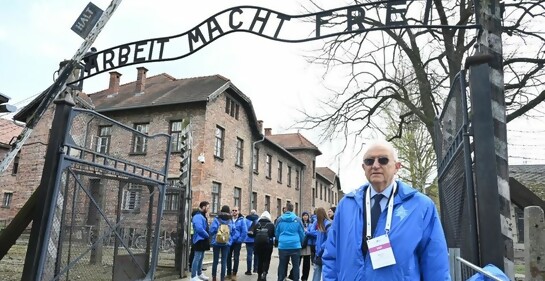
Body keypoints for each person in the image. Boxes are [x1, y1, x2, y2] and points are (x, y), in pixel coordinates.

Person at [322, 140, 450, 280]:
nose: (376, 165)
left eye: (383, 160)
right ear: (364, 167)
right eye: (369, 161)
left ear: (397, 167)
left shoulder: (420, 206)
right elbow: (331, 256)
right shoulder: (346, 205)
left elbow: (435, 263)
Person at [275, 202, 305, 281]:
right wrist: (300, 242)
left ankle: (280, 279)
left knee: (282, 265)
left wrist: (280, 240)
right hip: (295, 245)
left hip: (283, 245)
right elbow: (302, 233)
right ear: (293, 209)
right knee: (295, 266)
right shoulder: (297, 219)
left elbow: (276, 232)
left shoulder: (280, 219)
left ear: (286, 209)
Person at [210, 205, 237, 281]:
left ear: (221, 210)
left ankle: (214, 277)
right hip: (226, 243)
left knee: (215, 260)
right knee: (224, 261)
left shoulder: (217, 219)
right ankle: (222, 278)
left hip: (216, 242)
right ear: (229, 211)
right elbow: (234, 231)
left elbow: (212, 230)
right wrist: (230, 240)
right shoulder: (230, 220)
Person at [249, 211, 276, 281]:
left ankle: (259, 274)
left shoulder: (257, 224)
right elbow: (274, 235)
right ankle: (265, 273)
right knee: (267, 259)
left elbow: (252, 234)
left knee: (260, 260)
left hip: (258, 245)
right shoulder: (271, 225)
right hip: (268, 245)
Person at [308, 207, 331, 281]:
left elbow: (329, 239)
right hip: (319, 253)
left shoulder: (327, 224)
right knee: (317, 271)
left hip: (324, 252)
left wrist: (321, 247)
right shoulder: (320, 223)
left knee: (325, 273)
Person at [289, 211, 313, 281]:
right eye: (304, 215)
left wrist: (307, 232)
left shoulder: (311, 224)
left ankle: (304, 278)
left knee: (306, 263)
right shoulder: (299, 223)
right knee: (297, 262)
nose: (305, 217)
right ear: (302, 216)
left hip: (307, 245)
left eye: (306, 215)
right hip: (300, 244)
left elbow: (313, 232)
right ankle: (292, 275)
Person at [191, 202, 211, 281]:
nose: (208, 209)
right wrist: (207, 235)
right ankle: (193, 276)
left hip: (202, 239)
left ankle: (199, 273)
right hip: (199, 239)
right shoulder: (198, 216)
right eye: (207, 207)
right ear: (203, 207)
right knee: (197, 257)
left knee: (201, 257)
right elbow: (199, 228)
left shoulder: (202, 215)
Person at [226, 207, 247, 280]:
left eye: (236, 210)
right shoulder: (229, 219)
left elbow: (244, 231)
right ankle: (228, 273)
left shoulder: (242, 220)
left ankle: (234, 273)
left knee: (236, 257)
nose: (234, 212)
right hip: (229, 241)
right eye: (233, 210)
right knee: (228, 257)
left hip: (237, 242)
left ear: (238, 212)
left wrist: (240, 240)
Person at [244, 209, 260, 275]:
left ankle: (248, 270)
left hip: (248, 240)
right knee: (256, 254)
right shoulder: (258, 220)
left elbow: (245, 230)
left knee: (249, 255)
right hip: (256, 240)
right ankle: (255, 269)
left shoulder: (246, 220)